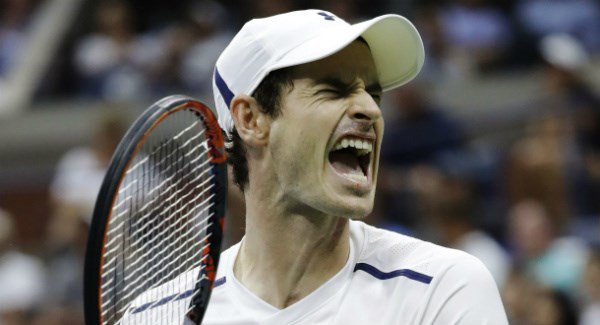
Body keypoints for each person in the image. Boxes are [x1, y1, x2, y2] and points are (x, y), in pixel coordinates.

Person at [122, 9, 507, 324]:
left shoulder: (441, 289)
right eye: (334, 90)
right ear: (251, 119)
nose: (371, 109)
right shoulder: (155, 317)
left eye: (373, 93)